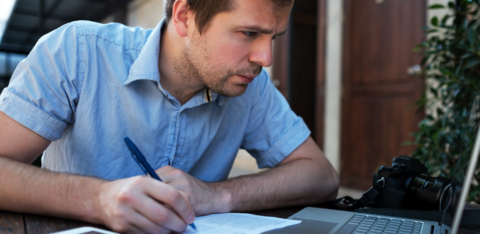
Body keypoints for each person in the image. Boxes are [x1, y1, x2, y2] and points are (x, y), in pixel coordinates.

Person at [0, 0, 339, 233]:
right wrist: (98, 199)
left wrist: (216, 195)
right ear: (184, 16)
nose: (265, 57)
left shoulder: (251, 85)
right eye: (249, 33)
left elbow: (321, 176)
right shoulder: (78, 50)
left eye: (273, 37)